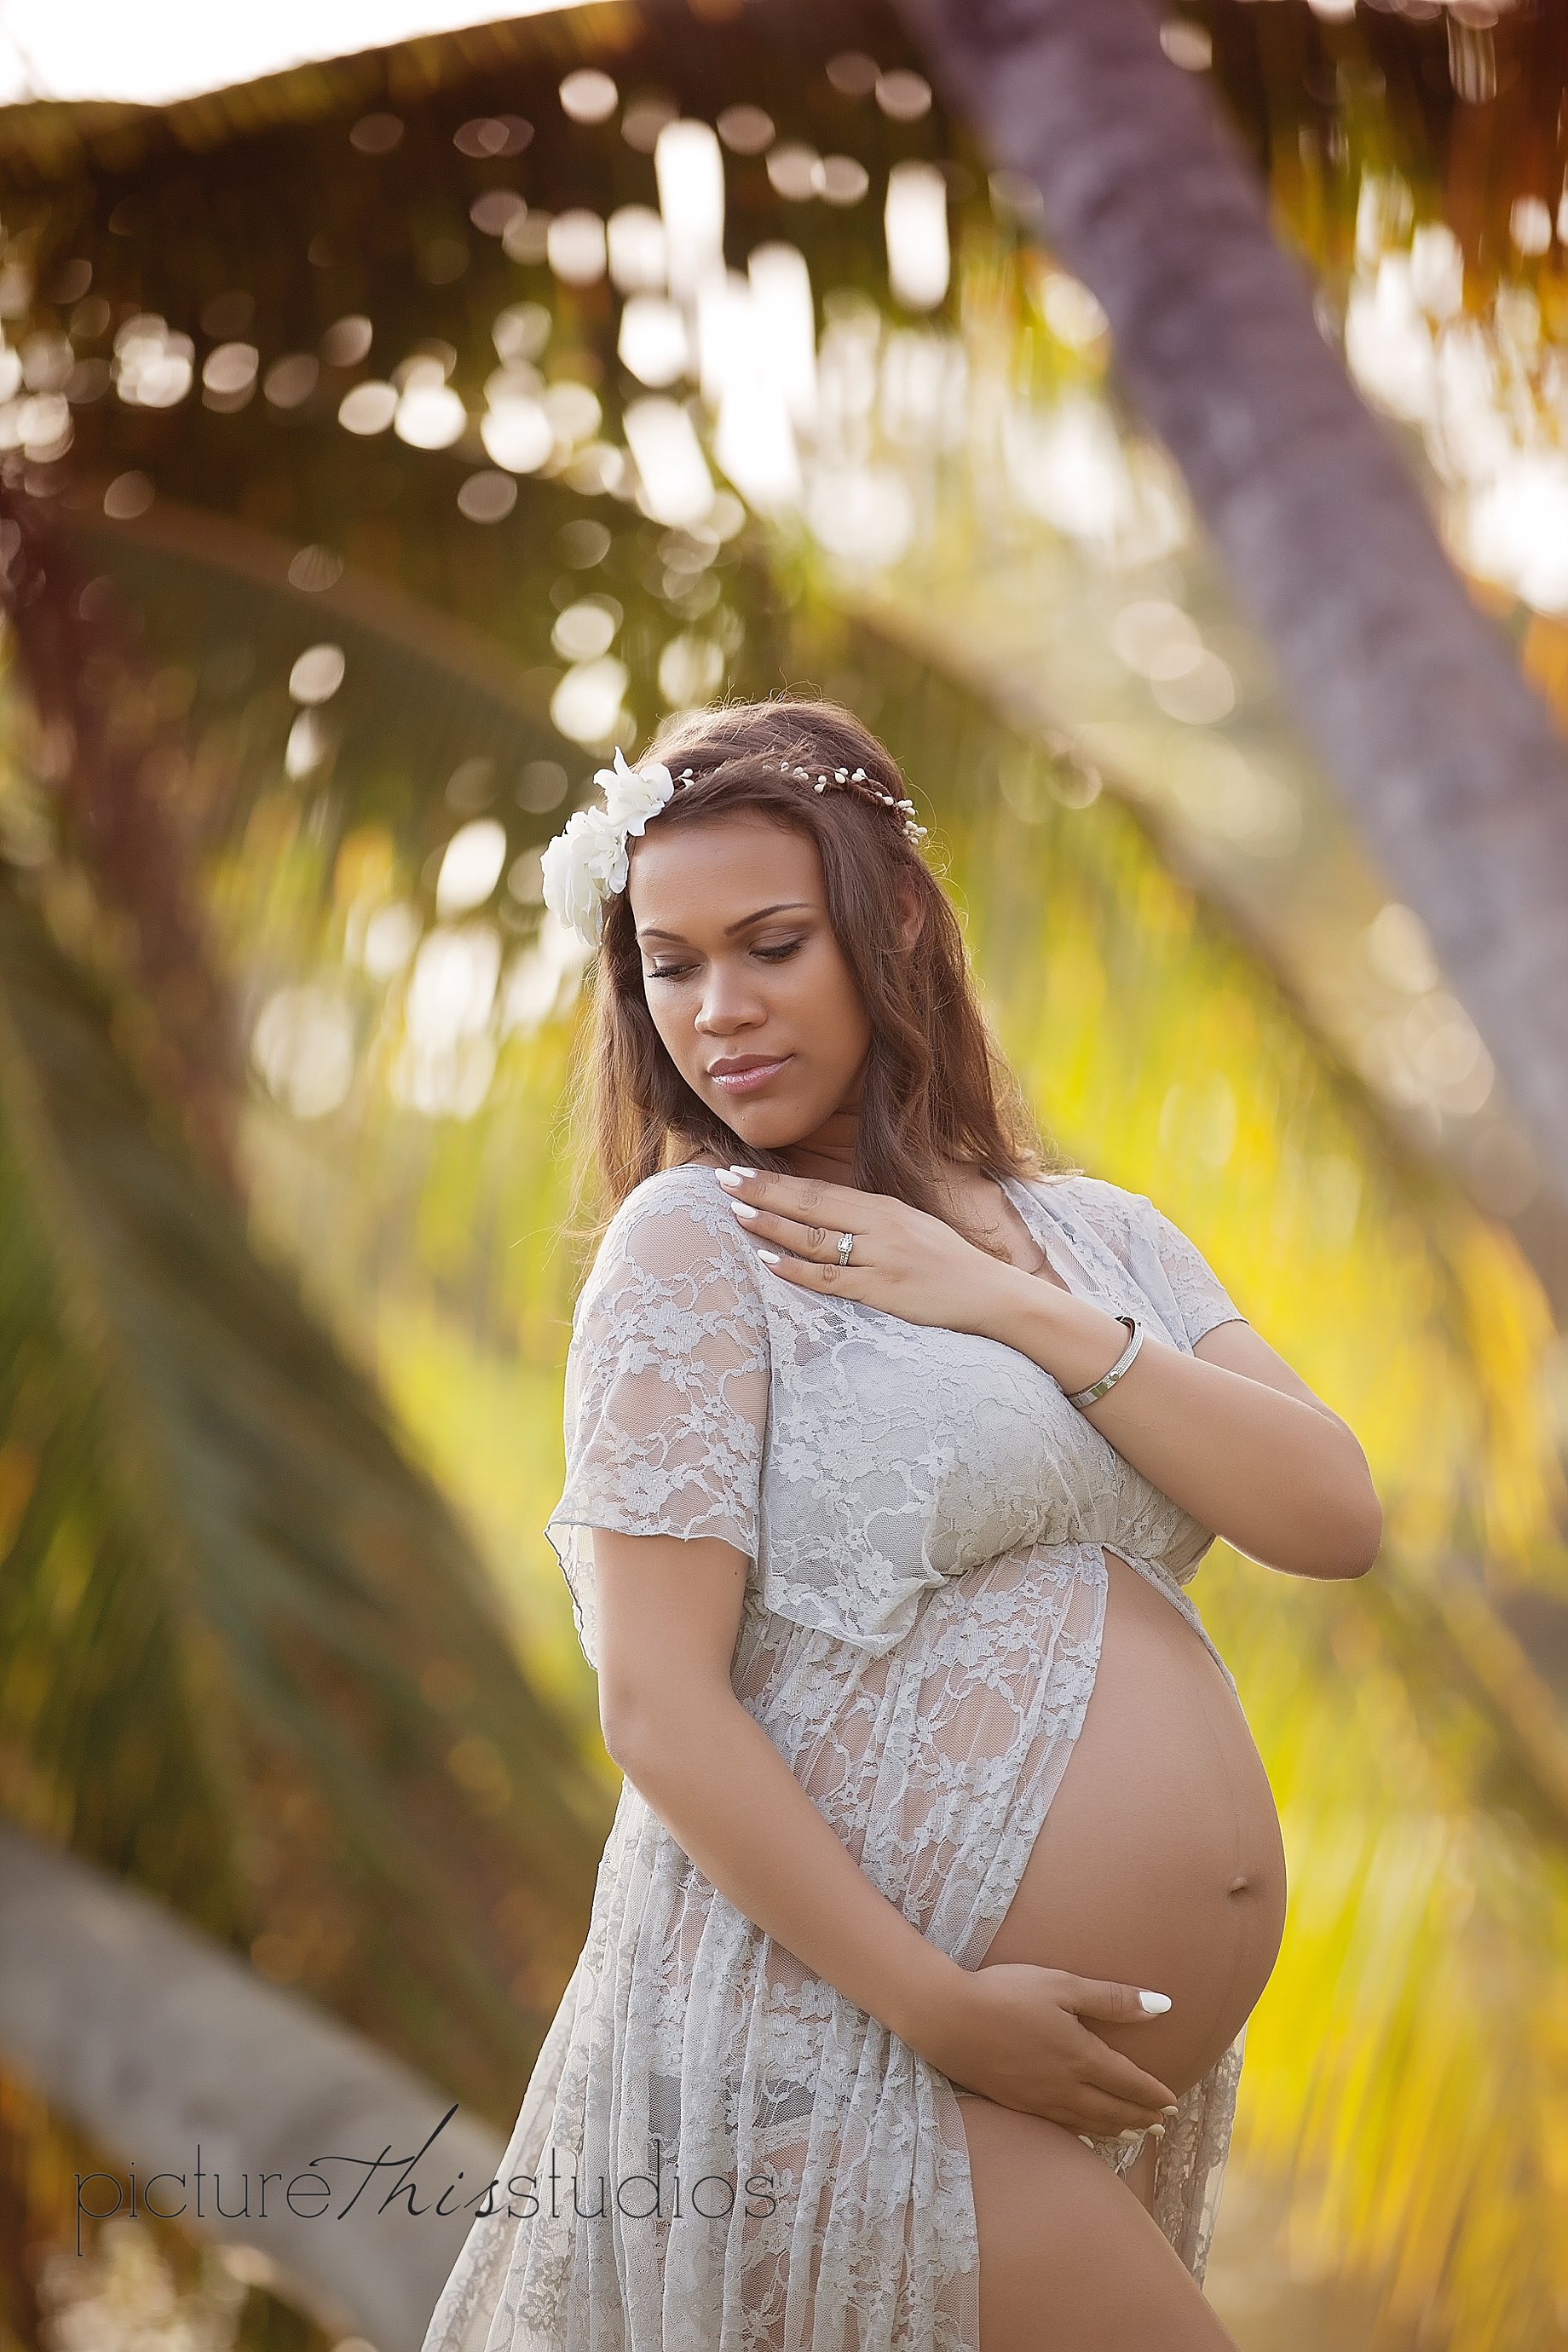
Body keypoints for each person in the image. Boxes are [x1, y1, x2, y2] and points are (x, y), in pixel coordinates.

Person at [419, 698, 1381, 2352]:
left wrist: (1020, 1310)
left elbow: (1329, 1507)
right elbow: (657, 1700)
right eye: (669, 963)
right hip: (834, 2062)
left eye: (771, 945)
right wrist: (936, 2008)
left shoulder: (1096, 1240)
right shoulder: (696, 1247)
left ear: (895, 927)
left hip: (1020, 2097)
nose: (716, 1010)